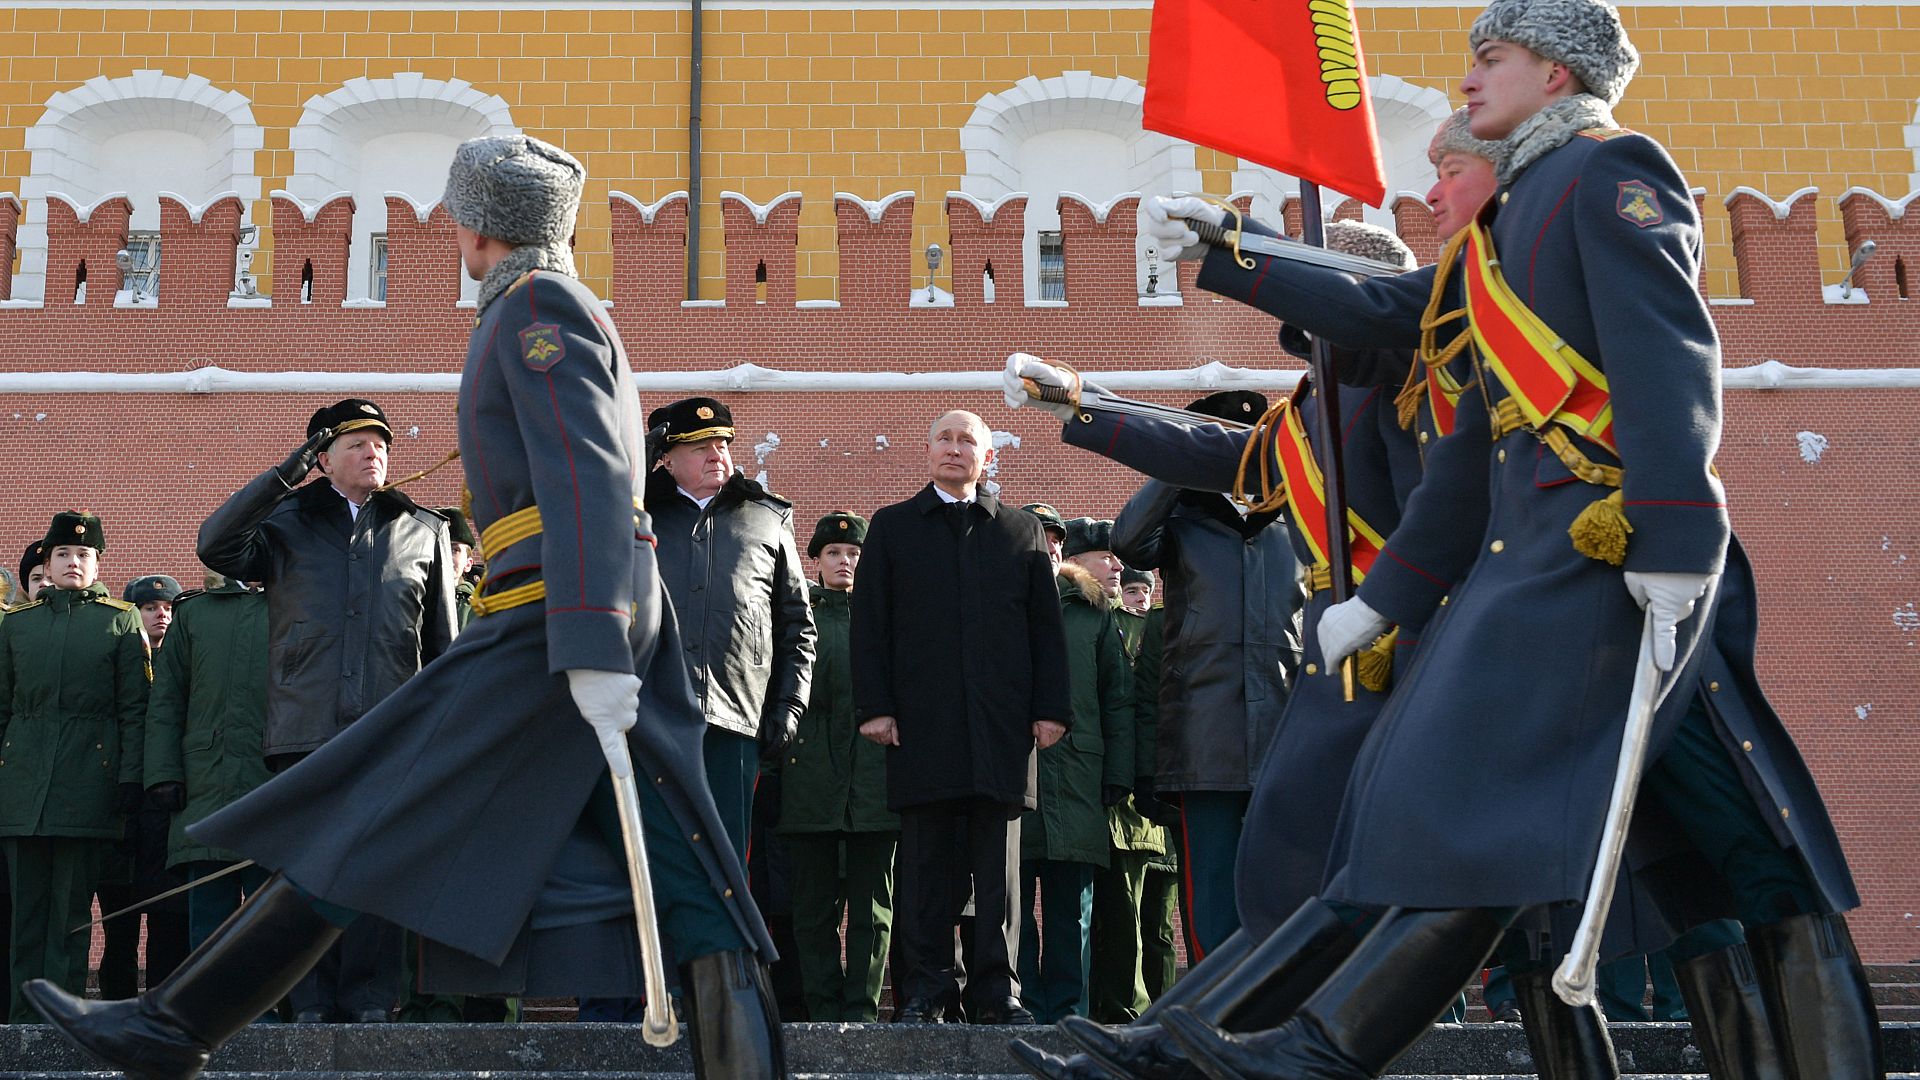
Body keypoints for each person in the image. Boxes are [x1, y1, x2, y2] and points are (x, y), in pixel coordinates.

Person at [1019, 0, 1881, 1075]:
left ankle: (1309, 1049)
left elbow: (1666, 354)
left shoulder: (1610, 171)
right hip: (1546, 581)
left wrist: (1673, 537)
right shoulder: (1507, 228)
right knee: (1682, 858)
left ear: (1557, 74)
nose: (1469, 82)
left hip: (1615, 569)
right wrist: (1384, 596)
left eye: (1493, 59)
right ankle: (1296, 1048)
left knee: (1666, 852)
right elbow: (1471, 442)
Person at [23, 133, 787, 1078]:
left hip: (550, 618)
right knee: (679, 863)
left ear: (480, 227)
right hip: (563, 611)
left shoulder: (537, 306)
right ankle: (173, 1025)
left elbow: (585, 470)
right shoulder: (543, 302)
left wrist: (592, 638)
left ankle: (173, 1026)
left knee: (380, 807)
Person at [195, 396, 457, 1024]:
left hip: (388, 733)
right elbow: (215, 545)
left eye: (382, 444)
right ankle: (307, 997)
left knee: (373, 868)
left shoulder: (423, 530)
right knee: (304, 870)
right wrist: (283, 477)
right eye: (357, 444)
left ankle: (370, 998)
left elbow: (442, 648)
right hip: (304, 725)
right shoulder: (285, 522)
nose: (375, 454)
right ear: (322, 457)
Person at [851, 409, 1070, 1025]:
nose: (954, 449)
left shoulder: (1021, 530)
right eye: (943, 439)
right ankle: (926, 991)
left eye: (967, 440)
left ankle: (998, 992)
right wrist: (876, 707)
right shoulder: (893, 528)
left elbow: (1045, 630)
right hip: (922, 725)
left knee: (999, 872)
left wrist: (1051, 709)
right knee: (925, 867)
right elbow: (871, 625)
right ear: (927, 452)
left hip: (1002, 728)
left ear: (988, 456)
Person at [1109, 390, 1304, 963]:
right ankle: (1215, 1001)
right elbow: (1127, 541)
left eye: (1242, 444)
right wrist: (1179, 463)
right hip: (1205, 731)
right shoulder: (1183, 522)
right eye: (1216, 443)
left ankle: (1281, 999)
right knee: (1213, 889)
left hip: (1286, 729)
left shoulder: (1296, 519)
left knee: (1284, 888)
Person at [645, 395, 814, 859]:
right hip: (652, 714)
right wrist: (635, 473)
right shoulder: (635, 515)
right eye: (699, 446)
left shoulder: (768, 517)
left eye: (721, 444)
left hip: (735, 716)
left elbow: (797, 626)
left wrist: (790, 705)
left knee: (726, 860)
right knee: (655, 856)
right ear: (667, 459)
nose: (716, 455)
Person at [0, 512, 149, 1022]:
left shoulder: (120, 620)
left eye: (83, 554)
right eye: (62, 554)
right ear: (46, 563)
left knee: (69, 914)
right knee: (25, 913)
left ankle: (63, 1019)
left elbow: (135, 710)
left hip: (88, 784)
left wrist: (130, 779)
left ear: (97, 563)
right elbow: (3, 709)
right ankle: (22, 1019)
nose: (72, 562)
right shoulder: (17, 625)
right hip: (22, 787)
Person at [776, 510, 899, 1022]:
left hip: (874, 782)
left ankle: (862, 1013)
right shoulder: (797, 617)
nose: (844, 561)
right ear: (817, 560)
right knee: (813, 911)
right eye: (834, 553)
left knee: (873, 911)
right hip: (809, 782)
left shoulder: (888, 619)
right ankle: (823, 1012)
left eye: (853, 554)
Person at [1019, 516, 1135, 1025]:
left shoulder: (1094, 614)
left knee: (1073, 911)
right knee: (1014, 910)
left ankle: (1069, 1013)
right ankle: (1021, 1007)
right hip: (1014, 781)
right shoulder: (997, 607)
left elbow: (1118, 698)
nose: (1047, 549)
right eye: (1037, 541)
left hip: (1080, 779)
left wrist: (1119, 774)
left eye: (1054, 542)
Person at [142, 572, 272, 954]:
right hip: (205, 786)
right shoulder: (195, 613)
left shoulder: (298, 602)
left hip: (275, 786)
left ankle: (266, 996)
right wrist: (163, 773)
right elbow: (167, 699)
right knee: (209, 928)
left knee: (274, 926)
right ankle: (211, 995)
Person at [97, 575, 192, 999]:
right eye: (150, 607)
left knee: (168, 917)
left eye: (168, 608)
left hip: (164, 807)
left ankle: (161, 1001)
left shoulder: (184, 663)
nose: (161, 615)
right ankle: (116, 1000)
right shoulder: (116, 661)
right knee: (119, 920)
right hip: (120, 804)